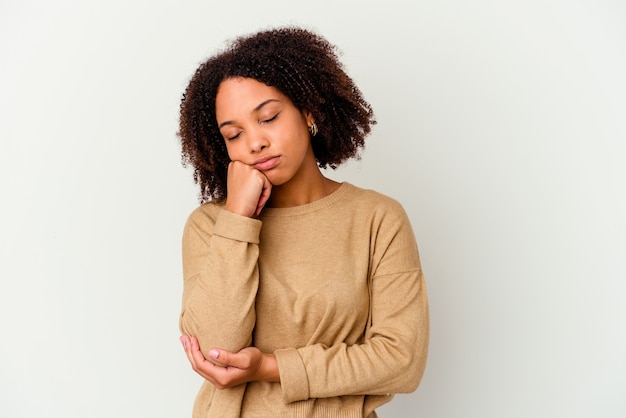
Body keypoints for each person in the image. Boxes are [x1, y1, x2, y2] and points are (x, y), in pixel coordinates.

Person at [177, 26, 429, 418]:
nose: (254, 143)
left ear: (307, 111)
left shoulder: (377, 218)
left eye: (269, 117)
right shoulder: (211, 226)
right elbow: (215, 349)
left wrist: (272, 368)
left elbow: (402, 360)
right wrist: (238, 218)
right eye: (234, 134)